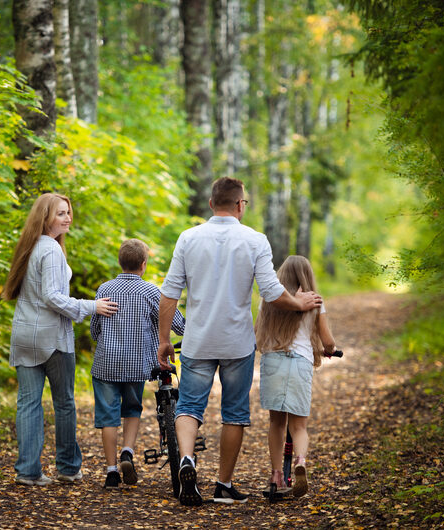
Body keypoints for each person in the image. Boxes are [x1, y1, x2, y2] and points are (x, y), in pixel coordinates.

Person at [157, 177, 323, 506]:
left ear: (210, 204)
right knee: (233, 413)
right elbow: (272, 293)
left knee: (189, 407)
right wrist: (300, 303)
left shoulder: (188, 238)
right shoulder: (254, 240)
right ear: (239, 205)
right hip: (236, 343)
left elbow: (169, 295)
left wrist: (164, 340)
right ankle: (223, 485)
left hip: (198, 341)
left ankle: (187, 460)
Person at [2, 192, 119, 486]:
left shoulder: (29, 246)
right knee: (64, 402)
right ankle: (67, 467)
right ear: (45, 217)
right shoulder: (51, 249)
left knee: (28, 402)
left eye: (68, 212)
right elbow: (52, 297)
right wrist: (92, 306)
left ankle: (27, 471)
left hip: (24, 335)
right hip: (52, 339)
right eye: (61, 213)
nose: (68, 218)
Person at [90, 239, 186, 490]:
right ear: (143, 265)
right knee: (132, 409)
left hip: (106, 364)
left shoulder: (104, 290)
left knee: (108, 417)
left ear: (120, 263)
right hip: (136, 366)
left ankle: (111, 472)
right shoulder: (151, 292)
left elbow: (94, 329)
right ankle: (127, 453)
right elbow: (177, 324)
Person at [254, 255, 336, 499]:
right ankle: (300, 461)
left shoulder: (269, 299)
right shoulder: (316, 301)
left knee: (276, 423)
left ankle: (277, 474)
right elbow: (328, 341)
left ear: (281, 275)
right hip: (300, 362)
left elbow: (257, 331)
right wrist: (329, 350)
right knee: (299, 426)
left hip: (273, 360)